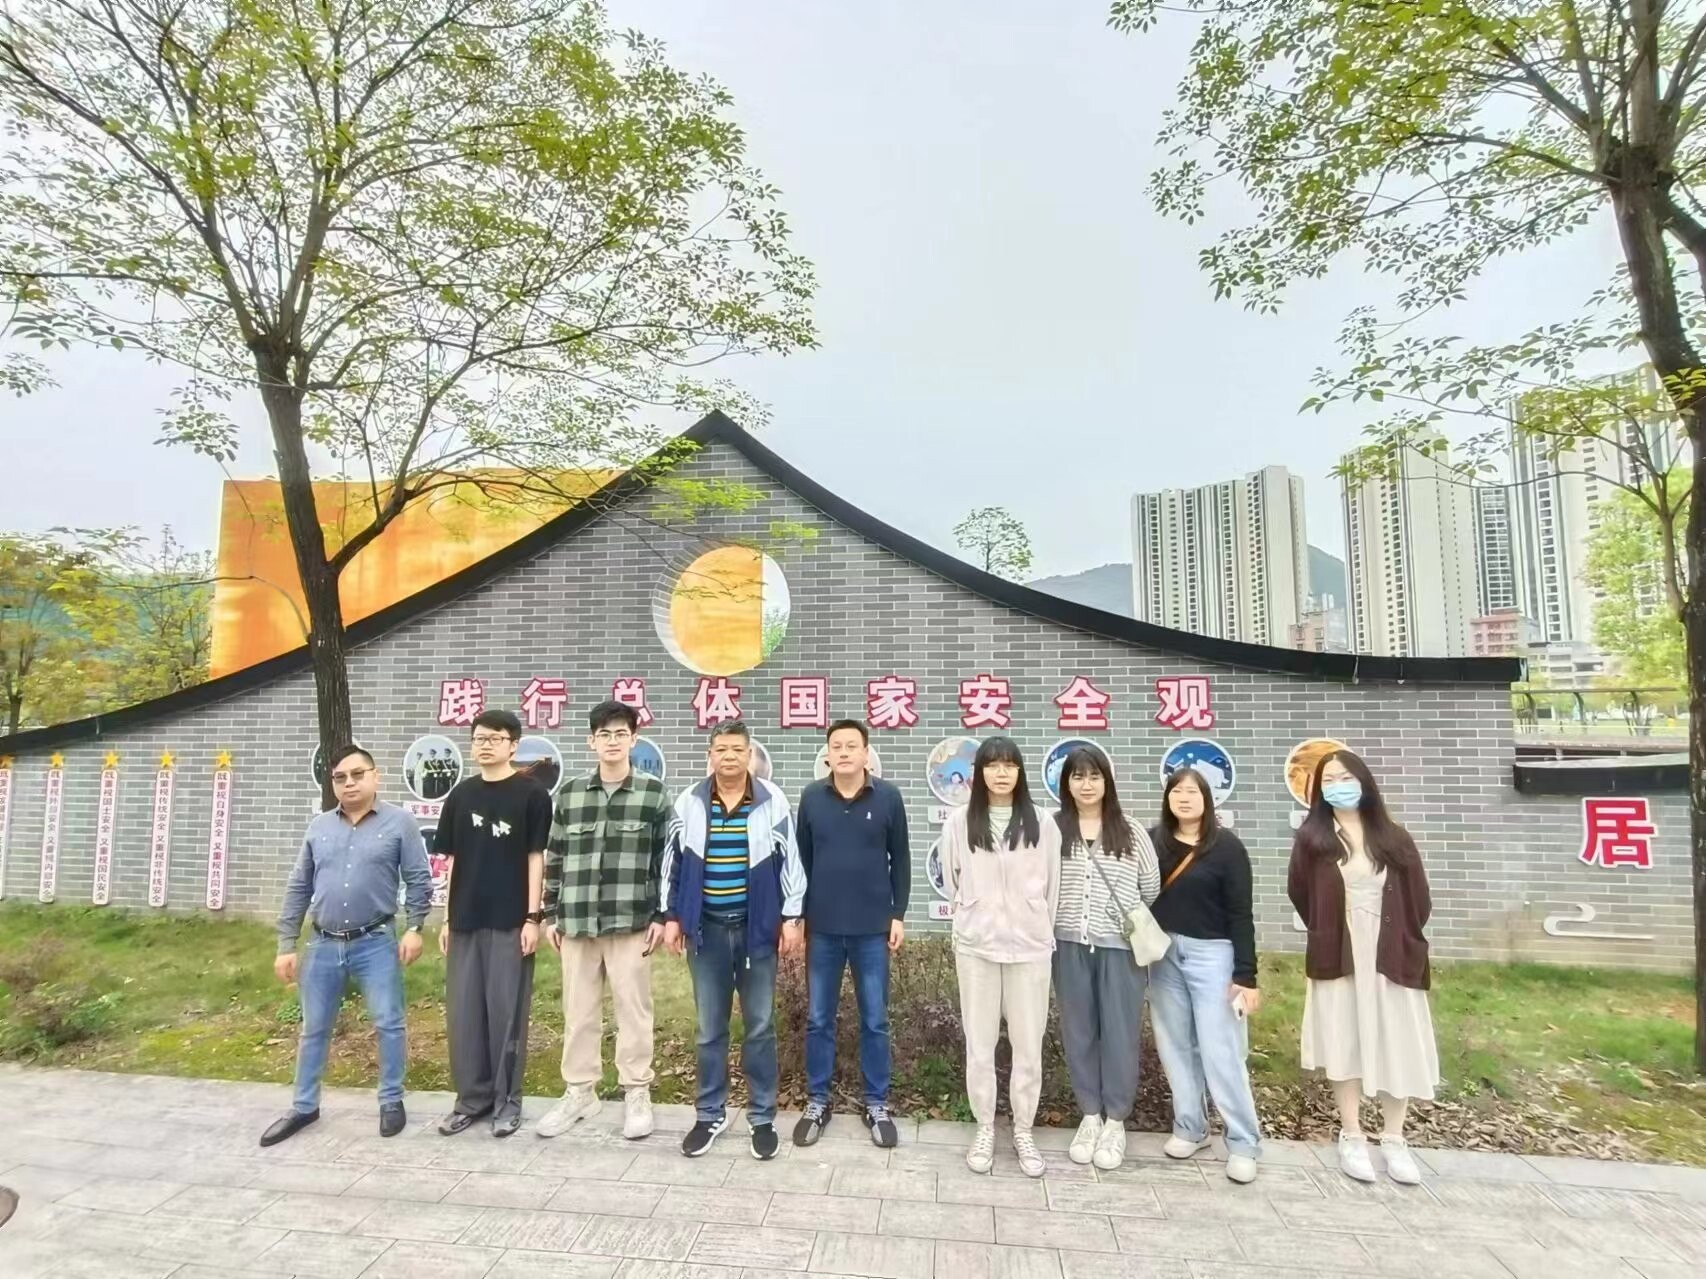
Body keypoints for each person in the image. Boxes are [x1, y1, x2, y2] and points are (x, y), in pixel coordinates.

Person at [263, 746, 431, 1147]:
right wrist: (286, 943)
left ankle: (391, 1099)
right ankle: (304, 1106)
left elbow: (419, 878)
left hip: (375, 941)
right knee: (314, 1028)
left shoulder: (400, 823)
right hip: (322, 944)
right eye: (340, 777)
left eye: (358, 774)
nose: (349, 783)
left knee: (388, 1022)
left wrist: (415, 927)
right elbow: (299, 886)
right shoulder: (319, 826)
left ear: (375, 776)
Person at [1289, 750, 1439, 1186]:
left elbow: (1419, 900)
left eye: (1345, 777)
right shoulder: (1313, 840)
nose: (1337, 786)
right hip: (1338, 951)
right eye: (1328, 780)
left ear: (1364, 782)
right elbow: (1300, 893)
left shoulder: (1394, 838)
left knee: (1398, 1040)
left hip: (1391, 954)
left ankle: (1394, 1138)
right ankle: (1352, 1134)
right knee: (1344, 1039)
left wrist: (1395, 933)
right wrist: (1331, 928)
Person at [660, 719, 806, 1160]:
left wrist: (792, 917)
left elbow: (790, 861)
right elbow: (672, 863)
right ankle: (710, 1113)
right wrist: (671, 916)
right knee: (710, 1029)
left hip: (755, 932)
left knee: (759, 1026)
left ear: (749, 755)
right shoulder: (690, 801)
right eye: (721, 749)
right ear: (710, 755)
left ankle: (762, 1117)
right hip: (706, 933)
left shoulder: (771, 800)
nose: (729, 756)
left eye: (737, 749)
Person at [536, 700, 672, 1142]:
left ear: (634, 740)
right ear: (591, 741)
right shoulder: (571, 794)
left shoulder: (653, 794)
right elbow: (556, 856)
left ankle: (637, 1091)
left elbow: (664, 861)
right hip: (576, 920)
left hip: (631, 921)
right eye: (604, 734)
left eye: (621, 734)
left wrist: (661, 914)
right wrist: (550, 913)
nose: (613, 742)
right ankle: (580, 1092)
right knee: (578, 1012)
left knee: (634, 1011)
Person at [941, 736, 1061, 1178]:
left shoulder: (1042, 823)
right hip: (978, 947)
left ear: (1020, 772)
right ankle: (986, 1127)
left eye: (1010, 764)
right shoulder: (959, 822)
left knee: (1028, 1045)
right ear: (980, 774)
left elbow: (1052, 885)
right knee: (980, 1044)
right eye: (992, 765)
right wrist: (974, 915)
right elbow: (952, 879)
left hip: (1029, 948)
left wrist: (1035, 923)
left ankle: (1023, 1129)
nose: (1001, 773)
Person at [434, 710, 552, 1138]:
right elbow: (453, 860)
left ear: (513, 745)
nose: (485, 745)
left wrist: (533, 917)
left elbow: (536, 858)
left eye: (495, 738)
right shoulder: (461, 795)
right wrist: (447, 919)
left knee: (506, 1014)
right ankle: (472, 1099)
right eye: (479, 738)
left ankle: (507, 1101)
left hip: (510, 921)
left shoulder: (532, 795)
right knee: (465, 1015)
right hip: (465, 919)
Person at [793, 719, 911, 1149]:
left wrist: (897, 914)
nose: (843, 752)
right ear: (827, 755)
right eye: (836, 746)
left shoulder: (888, 798)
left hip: (871, 929)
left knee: (875, 1020)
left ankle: (876, 1103)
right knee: (819, 1019)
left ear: (866, 753)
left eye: (851, 746)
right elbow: (801, 862)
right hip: (822, 928)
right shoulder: (811, 798)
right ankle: (817, 1100)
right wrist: (798, 917)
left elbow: (901, 858)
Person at [1147, 767, 1264, 1184]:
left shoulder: (1227, 848)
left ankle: (1243, 1142)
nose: (1184, 798)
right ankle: (1190, 1127)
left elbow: (1241, 914)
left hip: (1214, 956)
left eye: (1193, 791)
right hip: (1163, 954)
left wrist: (1246, 975)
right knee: (1175, 1046)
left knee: (1221, 1050)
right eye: (1176, 791)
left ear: (1206, 799)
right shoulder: (1153, 842)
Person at [1052, 746, 1160, 1170]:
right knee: (1078, 1032)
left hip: (1120, 949)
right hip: (1068, 945)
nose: (1086, 784)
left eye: (1094, 776)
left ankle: (1116, 1121)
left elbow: (1150, 887)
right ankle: (1089, 1116)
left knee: (1120, 1033)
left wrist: (1117, 916)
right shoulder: (1053, 829)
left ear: (1107, 781)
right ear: (1066, 783)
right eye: (1077, 776)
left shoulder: (1130, 831)